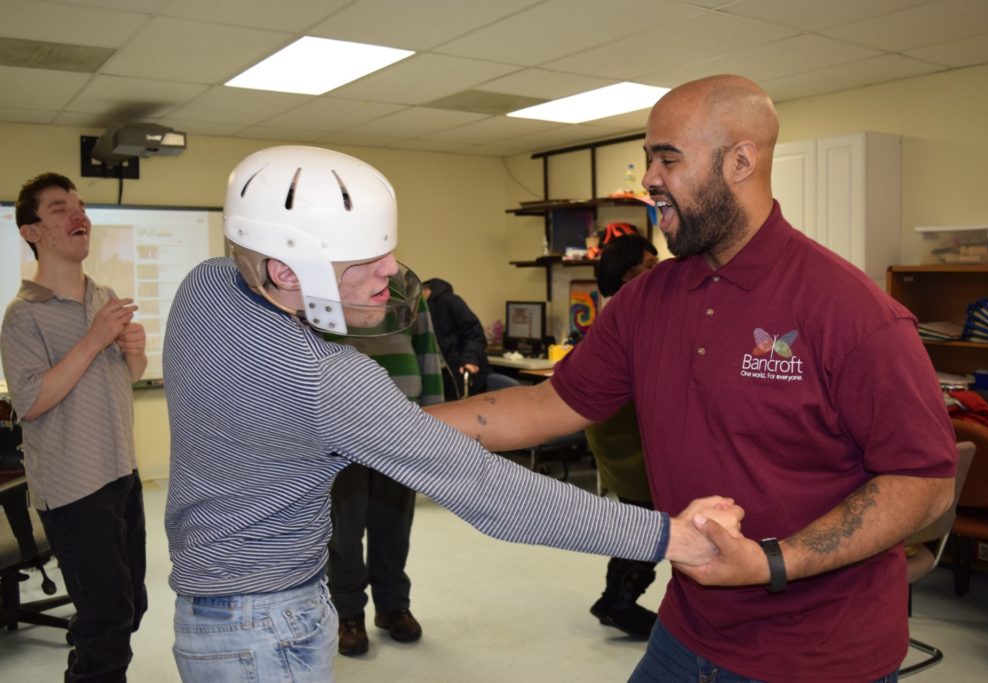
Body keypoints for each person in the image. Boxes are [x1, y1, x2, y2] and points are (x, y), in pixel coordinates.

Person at [427, 75, 958, 682]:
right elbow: (546, 405)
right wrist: (379, 427)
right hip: (687, 630)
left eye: (667, 158)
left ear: (739, 161)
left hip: (819, 656)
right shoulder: (646, 299)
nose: (649, 178)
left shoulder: (853, 312)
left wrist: (771, 563)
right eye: (648, 157)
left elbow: (924, 481)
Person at [161, 145, 743, 683]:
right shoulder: (326, 379)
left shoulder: (206, 287)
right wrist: (667, 536)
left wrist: (395, 428)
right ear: (286, 272)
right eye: (366, 259)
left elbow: (354, 427)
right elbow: (493, 493)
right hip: (268, 629)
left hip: (207, 614)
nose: (392, 270)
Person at [1, 173, 148, 682]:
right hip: (73, 492)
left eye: (81, 207)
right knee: (106, 620)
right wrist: (93, 339)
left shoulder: (101, 294)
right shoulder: (23, 316)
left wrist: (135, 354)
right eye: (60, 209)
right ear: (31, 231)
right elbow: (33, 401)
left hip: (121, 475)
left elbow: (118, 383)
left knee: (131, 607)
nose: (78, 216)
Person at [325, 292, 444, 656]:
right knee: (344, 530)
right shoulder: (322, 288)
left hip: (401, 423)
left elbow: (427, 351)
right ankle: (348, 614)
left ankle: (392, 606)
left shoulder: (408, 290)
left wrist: (435, 417)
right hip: (342, 424)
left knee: (394, 526)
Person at [585, 233, 660, 638]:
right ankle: (618, 602)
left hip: (622, 433)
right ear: (626, 270)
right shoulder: (630, 314)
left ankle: (615, 599)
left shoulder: (616, 310)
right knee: (648, 523)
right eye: (647, 266)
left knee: (640, 520)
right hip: (627, 436)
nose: (656, 272)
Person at [422, 278, 492, 399]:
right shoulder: (419, 311)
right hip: (438, 374)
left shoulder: (447, 301)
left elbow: (474, 333)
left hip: (461, 370)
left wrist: (470, 358)